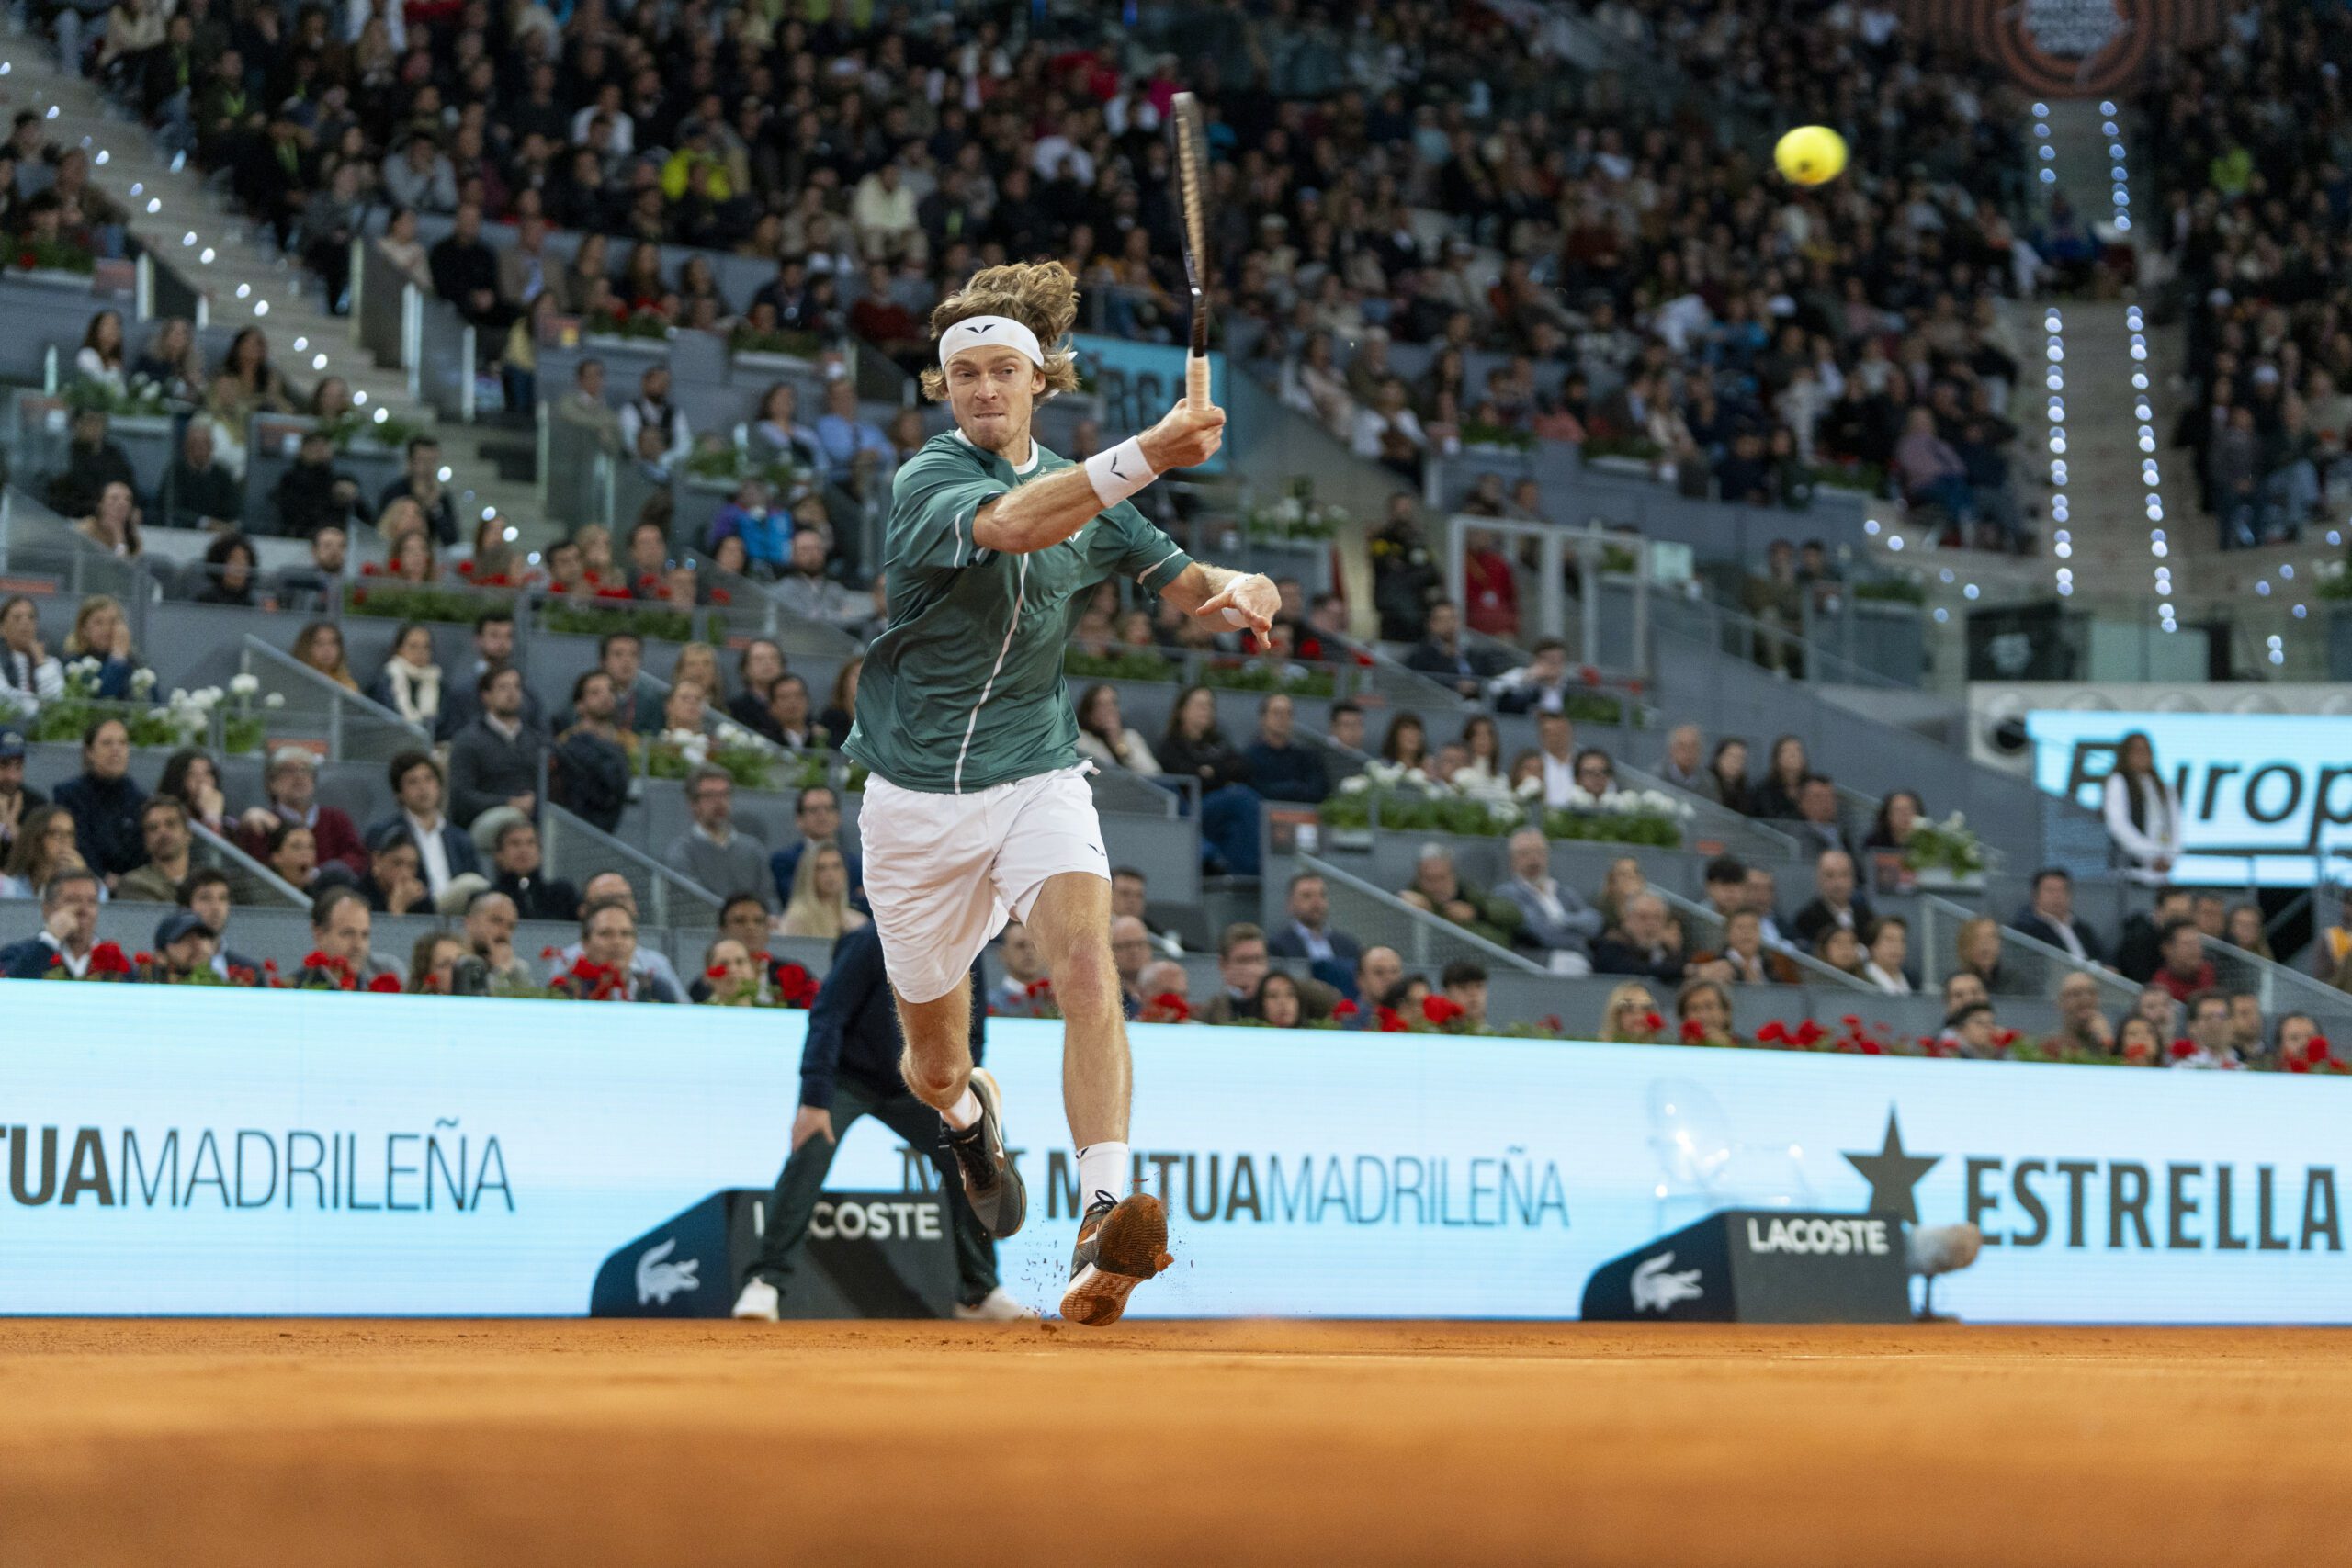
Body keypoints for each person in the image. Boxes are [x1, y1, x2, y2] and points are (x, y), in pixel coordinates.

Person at [840, 260, 1262, 1325]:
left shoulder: (1098, 497)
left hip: (1036, 776)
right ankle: (970, 1114)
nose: (983, 389)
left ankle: (1103, 1213)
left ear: (1041, 381)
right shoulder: (927, 481)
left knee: (1086, 959)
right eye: (964, 374)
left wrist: (1235, 592)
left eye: (1003, 372)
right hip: (913, 807)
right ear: (944, 390)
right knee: (932, 1067)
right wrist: (1149, 453)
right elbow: (1018, 525)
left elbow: (1188, 586)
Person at [731, 923, 1025, 1323]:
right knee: (811, 1148)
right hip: (850, 1078)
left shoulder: (966, 944)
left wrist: (964, 1099)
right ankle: (765, 1282)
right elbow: (828, 1016)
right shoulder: (872, 941)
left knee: (972, 1153)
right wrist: (814, 1100)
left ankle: (979, 1292)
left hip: (923, 1084)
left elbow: (971, 1033)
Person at [1159, 685, 1263, 877]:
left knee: (1235, 828)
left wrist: (1211, 772)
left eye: (1209, 706)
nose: (1205, 710)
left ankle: (1236, 878)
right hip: (1191, 809)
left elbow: (1243, 768)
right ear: (1182, 710)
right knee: (1242, 797)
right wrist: (1221, 775)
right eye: (1199, 705)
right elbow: (1185, 777)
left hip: (1219, 807)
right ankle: (1252, 874)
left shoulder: (1218, 742)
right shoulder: (1171, 744)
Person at [369, 750, 481, 905]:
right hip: (414, 910)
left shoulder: (460, 838)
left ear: (439, 786)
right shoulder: (385, 833)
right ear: (399, 794)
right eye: (413, 782)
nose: (423, 788)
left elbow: (476, 885)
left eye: (429, 779)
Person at [444, 667, 545, 829]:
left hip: (534, 823)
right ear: (486, 696)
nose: (511, 693)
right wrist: (508, 803)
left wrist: (535, 801)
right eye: (503, 687)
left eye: (517, 687)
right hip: (487, 823)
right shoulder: (467, 740)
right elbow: (461, 796)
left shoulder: (536, 740)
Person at [664, 764, 775, 909]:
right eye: (710, 795)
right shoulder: (682, 851)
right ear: (693, 804)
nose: (719, 802)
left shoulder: (753, 849)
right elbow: (690, 904)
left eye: (724, 794)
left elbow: (770, 899)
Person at [1494, 825, 1600, 975]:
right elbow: (1542, 933)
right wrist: (1578, 937)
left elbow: (1594, 922)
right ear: (1513, 860)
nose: (1534, 859)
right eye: (1525, 853)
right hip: (1539, 968)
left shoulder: (1563, 891)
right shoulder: (1507, 893)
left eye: (1539, 852)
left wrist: (1561, 920)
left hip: (1583, 963)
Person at [54, 716, 147, 886]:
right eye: (107, 743)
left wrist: (129, 881)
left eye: (123, 743)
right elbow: (78, 841)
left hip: (134, 886)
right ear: (89, 751)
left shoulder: (140, 799)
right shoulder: (68, 795)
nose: (116, 750)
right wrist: (101, 876)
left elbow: (142, 849)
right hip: (82, 880)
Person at [553, 897, 680, 1002]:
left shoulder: (657, 989)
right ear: (585, 943)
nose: (617, 942)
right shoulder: (566, 988)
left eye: (625, 934)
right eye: (606, 933)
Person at [767, 785, 863, 910]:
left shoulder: (855, 863)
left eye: (829, 809)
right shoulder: (784, 861)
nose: (822, 815)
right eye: (813, 810)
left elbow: (867, 905)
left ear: (838, 817)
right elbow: (796, 899)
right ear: (799, 819)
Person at [2103, 730, 2180, 883]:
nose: (2142, 755)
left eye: (2146, 750)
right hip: (2130, 872)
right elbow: (2118, 825)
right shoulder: (2119, 781)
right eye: (2137, 750)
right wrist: (2150, 855)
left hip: (2161, 873)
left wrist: (2170, 857)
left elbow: (2176, 825)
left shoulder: (2163, 787)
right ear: (2126, 754)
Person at [0, 869, 107, 978]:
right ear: (47, 909)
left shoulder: (113, 960)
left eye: (92, 901)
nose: (84, 910)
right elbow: (9, 987)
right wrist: (49, 941)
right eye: (73, 900)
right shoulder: (16, 954)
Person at [1403, 600, 1506, 699]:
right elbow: (1420, 687)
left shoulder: (1474, 655)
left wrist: (1477, 687)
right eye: (1442, 619)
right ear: (1431, 624)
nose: (1449, 624)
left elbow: (1491, 679)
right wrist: (1454, 687)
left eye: (1452, 618)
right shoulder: (1421, 657)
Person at [1241, 693, 1327, 804]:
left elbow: (1318, 791)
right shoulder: (1249, 757)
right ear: (1263, 718)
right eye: (1276, 713)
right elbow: (1254, 792)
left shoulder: (1307, 756)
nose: (1283, 718)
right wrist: (1294, 788)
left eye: (1288, 713)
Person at [164, 420, 245, 531]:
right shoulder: (175, 473)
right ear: (186, 446)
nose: (200, 448)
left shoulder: (222, 474)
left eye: (205, 444)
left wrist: (229, 524)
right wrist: (203, 523)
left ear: (212, 447)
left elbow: (234, 507)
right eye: (195, 444)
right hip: (183, 534)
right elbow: (169, 508)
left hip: (219, 535)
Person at [1267, 871, 1363, 965]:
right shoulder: (1277, 946)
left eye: (1322, 895)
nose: (1316, 902)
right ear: (1290, 904)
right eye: (1307, 896)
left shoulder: (1348, 945)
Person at [115, 795, 197, 903]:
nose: (162, 832)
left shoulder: (207, 881)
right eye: (153, 828)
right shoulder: (134, 884)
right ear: (145, 840)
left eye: (170, 824)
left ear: (188, 834)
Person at [2014, 868, 2105, 964]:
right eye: (2050, 890)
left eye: (2062, 890)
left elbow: (2101, 955)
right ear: (2035, 895)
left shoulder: (2082, 928)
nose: (2057, 896)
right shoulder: (2024, 931)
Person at [778, 842, 868, 940]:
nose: (830, 874)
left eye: (836, 866)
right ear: (808, 875)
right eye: (821, 868)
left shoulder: (859, 921)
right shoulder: (797, 919)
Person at [1593, 892, 1687, 984]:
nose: (1651, 924)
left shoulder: (1666, 950)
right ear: (1627, 919)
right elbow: (1632, 970)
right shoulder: (1611, 945)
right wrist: (1682, 970)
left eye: (1657, 918)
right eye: (1643, 917)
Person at [1791, 850, 1873, 952]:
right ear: (1819, 879)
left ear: (1853, 878)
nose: (1838, 882)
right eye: (1830, 875)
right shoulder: (1806, 919)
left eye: (1844, 874)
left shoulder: (1866, 915)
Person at [367, 622, 443, 732]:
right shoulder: (385, 682)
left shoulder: (437, 682)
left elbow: (445, 725)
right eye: (413, 646)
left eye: (426, 647)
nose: (420, 652)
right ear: (399, 649)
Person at [0, 596, 65, 716]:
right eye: (17, 618)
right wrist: (39, 708)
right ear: (2, 628)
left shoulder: (51, 663)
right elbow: (4, 699)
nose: (26, 622)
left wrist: (41, 662)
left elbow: (58, 700)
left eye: (31, 617)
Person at [1073, 683, 1159, 774]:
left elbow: (1152, 772)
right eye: (1101, 705)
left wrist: (1118, 744)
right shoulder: (1079, 740)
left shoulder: (1131, 737)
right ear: (1088, 712)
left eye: (1113, 703)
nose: (1109, 710)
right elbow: (1100, 772)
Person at [356, 825, 431, 916]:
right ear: (376, 861)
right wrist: (397, 908)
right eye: (397, 863)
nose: (405, 874)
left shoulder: (420, 900)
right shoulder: (358, 897)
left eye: (411, 866)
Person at [0, 728, 46, 861]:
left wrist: (10, 823)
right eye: (3, 765)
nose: (12, 776)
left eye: (18, 766)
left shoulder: (36, 804)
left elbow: (39, 861)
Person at [2051, 971, 2116, 1056]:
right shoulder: (2051, 1045)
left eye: (2091, 993)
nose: (2086, 999)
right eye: (2076, 994)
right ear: (2061, 1002)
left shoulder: (2113, 1041)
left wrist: (2105, 1039)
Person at [2152, 919, 2217, 1004]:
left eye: (2197, 943)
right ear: (2167, 949)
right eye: (2187, 944)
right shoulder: (2161, 988)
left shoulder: (2207, 971)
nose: (2195, 949)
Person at [1595, 980, 1664, 1043]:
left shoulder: (1664, 1052)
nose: (1639, 1016)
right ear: (1615, 1013)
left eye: (1645, 1008)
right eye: (1629, 1008)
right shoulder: (1599, 1052)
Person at [1860, 916, 1913, 995]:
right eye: (1889, 940)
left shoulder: (1913, 980)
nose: (1897, 946)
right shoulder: (1861, 981)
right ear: (1872, 947)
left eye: (1902, 940)